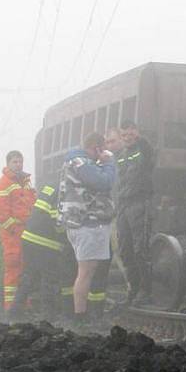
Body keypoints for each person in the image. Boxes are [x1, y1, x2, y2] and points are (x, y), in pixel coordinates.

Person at [58, 132, 116, 325]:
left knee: (86, 271)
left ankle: (81, 316)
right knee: (86, 272)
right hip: (86, 223)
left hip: (82, 223)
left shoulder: (79, 162)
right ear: (96, 148)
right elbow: (103, 182)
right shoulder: (81, 163)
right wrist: (108, 163)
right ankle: (80, 317)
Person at [9, 182, 66, 322]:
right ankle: (48, 316)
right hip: (46, 241)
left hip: (28, 237)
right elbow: (58, 221)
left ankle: (15, 310)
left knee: (29, 274)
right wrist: (66, 239)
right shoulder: (66, 191)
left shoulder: (50, 186)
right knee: (49, 277)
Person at [86, 127, 124, 322]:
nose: (110, 146)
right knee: (102, 262)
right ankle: (95, 310)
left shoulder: (121, 162)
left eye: (113, 141)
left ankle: (127, 295)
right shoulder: (102, 165)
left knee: (120, 256)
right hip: (104, 220)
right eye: (107, 142)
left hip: (117, 216)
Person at [117, 119, 155, 303]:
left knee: (141, 248)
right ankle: (134, 287)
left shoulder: (143, 149)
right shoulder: (121, 154)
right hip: (123, 205)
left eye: (131, 134)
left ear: (137, 133)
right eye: (124, 135)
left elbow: (148, 154)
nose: (127, 138)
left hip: (139, 202)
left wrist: (140, 140)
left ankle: (146, 289)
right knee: (125, 249)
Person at [0, 151, 36, 311]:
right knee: (13, 270)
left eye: (20, 162)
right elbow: (2, 215)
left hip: (27, 232)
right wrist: (17, 230)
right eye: (15, 162)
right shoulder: (3, 183)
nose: (18, 165)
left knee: (26, 269)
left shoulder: (26, 183)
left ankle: (25, 306)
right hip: (13, 236)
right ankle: (11, 310)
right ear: (8, 163)